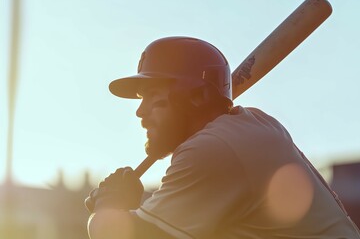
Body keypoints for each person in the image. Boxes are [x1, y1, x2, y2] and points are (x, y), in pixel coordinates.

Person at [85, 36, 360, 239]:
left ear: (197, 96)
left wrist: (108, 203)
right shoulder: (252, 124)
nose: (140, 111)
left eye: (154, 97)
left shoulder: (214, 147)